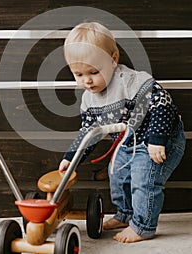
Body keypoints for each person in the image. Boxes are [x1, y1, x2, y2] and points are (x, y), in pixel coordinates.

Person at [59, 21, 186, 243]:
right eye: (78, 74)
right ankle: (125, 214)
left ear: (113, 59)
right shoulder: (89, 99)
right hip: (129, 142)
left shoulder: (130, 82)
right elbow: (90, 131)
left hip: (160, 139)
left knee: (143, 178)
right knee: (117, 174)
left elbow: (163, 104)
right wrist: (72, 158)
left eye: (93, 72)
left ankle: (143, 225)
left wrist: (158, 139)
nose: (87, 80)